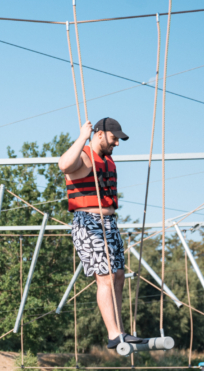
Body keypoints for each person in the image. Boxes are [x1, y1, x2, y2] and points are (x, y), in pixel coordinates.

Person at [58, 117, 146, 349]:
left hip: (109, 222)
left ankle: (120, 331)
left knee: (117, 276)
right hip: (89, 222)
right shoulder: (84, 156)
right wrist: (81, 137)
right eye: (114, 138)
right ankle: (113, 334)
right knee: (105, 277)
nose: (117, 143)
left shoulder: (107, 161)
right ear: (99, 135)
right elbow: (64, 165)